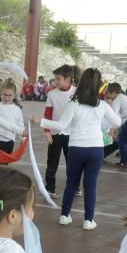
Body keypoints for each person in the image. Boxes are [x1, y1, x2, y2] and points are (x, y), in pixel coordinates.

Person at [34, 67, 120, 230]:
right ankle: (89, 220)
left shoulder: (74, 104)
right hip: (95, 150)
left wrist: (41, 121)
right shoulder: (102, 106)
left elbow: (60, 125)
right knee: (90, 185)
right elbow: (118, 122)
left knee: (71, 183)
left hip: (76, 149)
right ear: (98, 86)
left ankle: (64, 215)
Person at [41, 64, 76, 197]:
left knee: (72, 162)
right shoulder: (51, 94)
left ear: (68, 80)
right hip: (55, 133)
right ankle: (50, 187)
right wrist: (47, 131)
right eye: (55, 79)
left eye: (58, 79)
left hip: (71, 134)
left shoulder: (76, 93)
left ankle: (74, 185)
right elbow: (48, 113)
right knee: (52, 161)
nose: (55, 82)